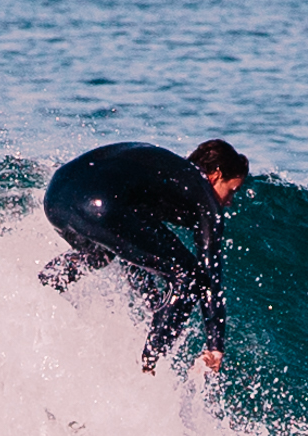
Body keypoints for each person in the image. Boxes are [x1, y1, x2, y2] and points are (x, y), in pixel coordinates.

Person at [41, 139, 248, 374]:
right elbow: (210, 276)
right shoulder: (203, 194)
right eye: (231, 190)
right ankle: (149, 366)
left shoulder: (167, 173)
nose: (229, 202)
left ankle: (40, 287)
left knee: (100, 254)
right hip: (100, 204)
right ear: (215, 175)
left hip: (56, 198)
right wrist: (215, 345)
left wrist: (152, 299)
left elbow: (132, 252)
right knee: (189, 274)